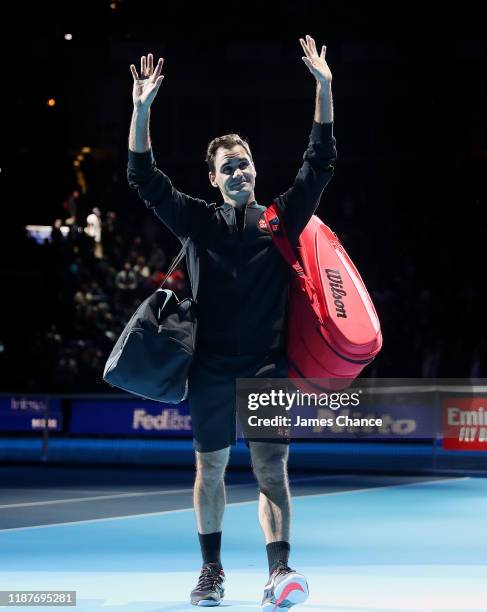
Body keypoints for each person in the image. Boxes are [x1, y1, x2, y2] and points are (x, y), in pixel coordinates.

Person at [127, 35, 336, 610]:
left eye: (244, 161)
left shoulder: (279, 219)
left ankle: (280, 571)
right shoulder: (197, 220)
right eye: (228, 166)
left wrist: (323, 89)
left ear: (253, 169)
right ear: (215, 179)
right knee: (211, 469)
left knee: (273, 469)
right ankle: (212, 572)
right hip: (212, 368)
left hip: (265, 368)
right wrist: (142, 112)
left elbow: (320, 163)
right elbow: (143, 178)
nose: (239, 169)